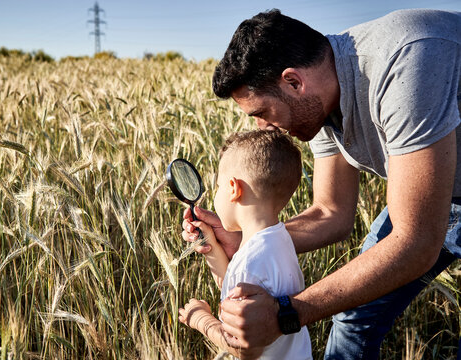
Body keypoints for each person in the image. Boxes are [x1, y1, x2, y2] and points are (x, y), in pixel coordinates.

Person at [181, 8, 461, 359]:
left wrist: (287, 313)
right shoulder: (317, 101)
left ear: (294, 82)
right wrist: (246, 238)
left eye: (262, 114)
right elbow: (332, 212)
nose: (264, 130)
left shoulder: (405, 60)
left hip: (422, 215)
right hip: (430, 197)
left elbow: (417, 240)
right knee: (353, 317)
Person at [178, 130, 313, 359]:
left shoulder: (251, 261)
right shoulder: (279, 240)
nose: (217, 193)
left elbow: (245, 348)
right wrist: (210, 241)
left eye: (219, 186)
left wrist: (201, 320)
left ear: (233, 188)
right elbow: (233, 283)